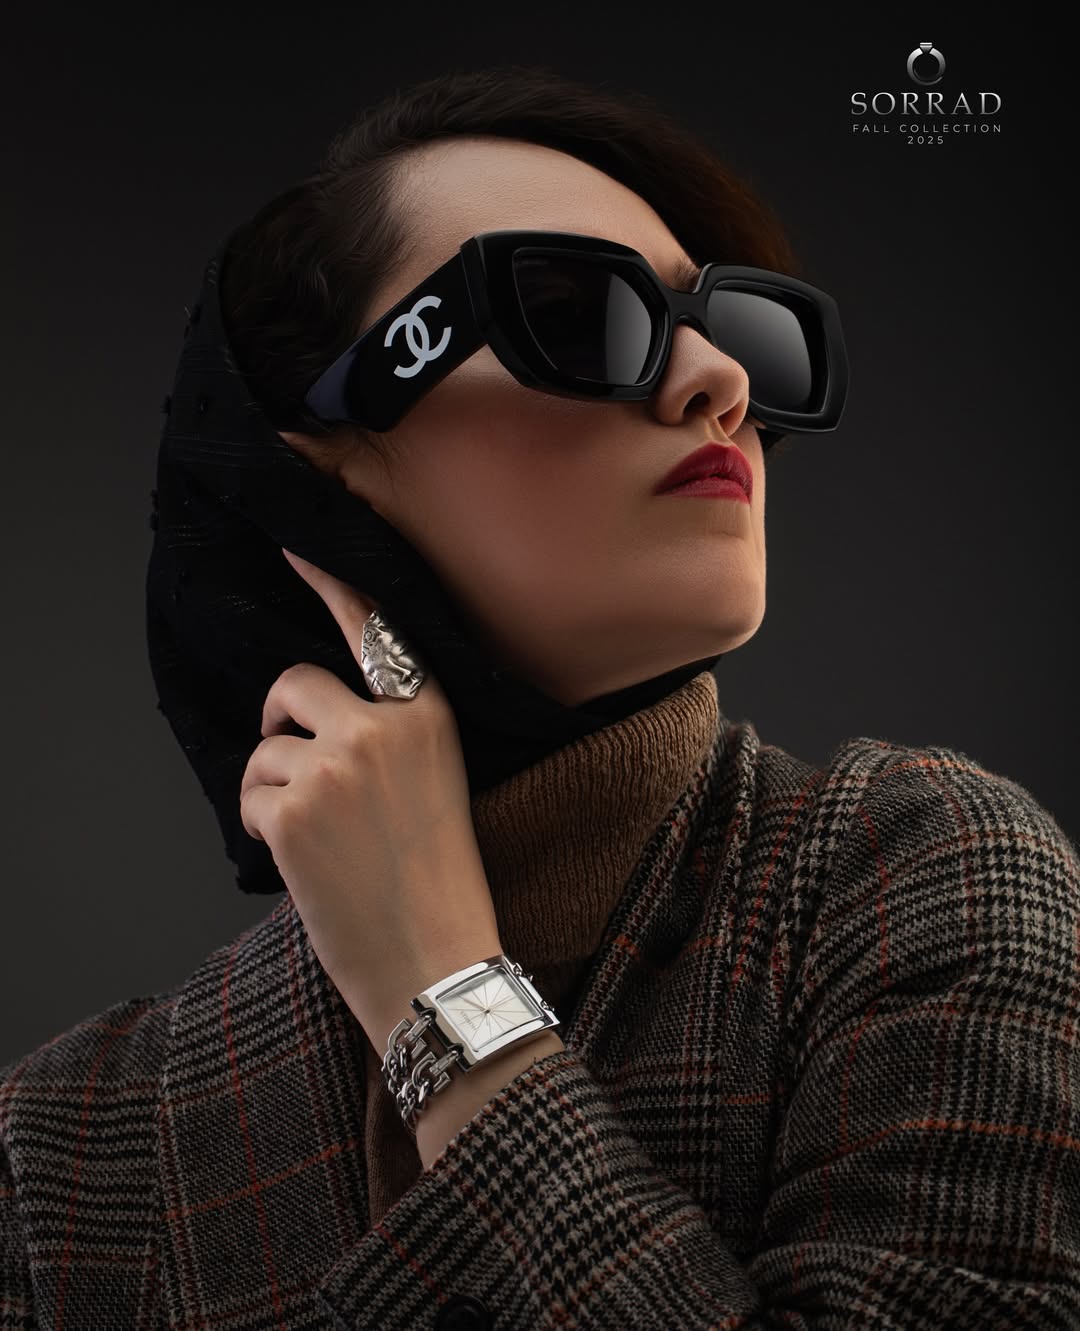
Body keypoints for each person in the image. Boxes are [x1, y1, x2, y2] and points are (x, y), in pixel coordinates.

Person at [1, 64, 1077, 1331]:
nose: (719, 381)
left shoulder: (920, 872)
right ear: (315, 470)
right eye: (575, 313)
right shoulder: (67, 1144)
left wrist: (445, 993)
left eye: (738, 331)